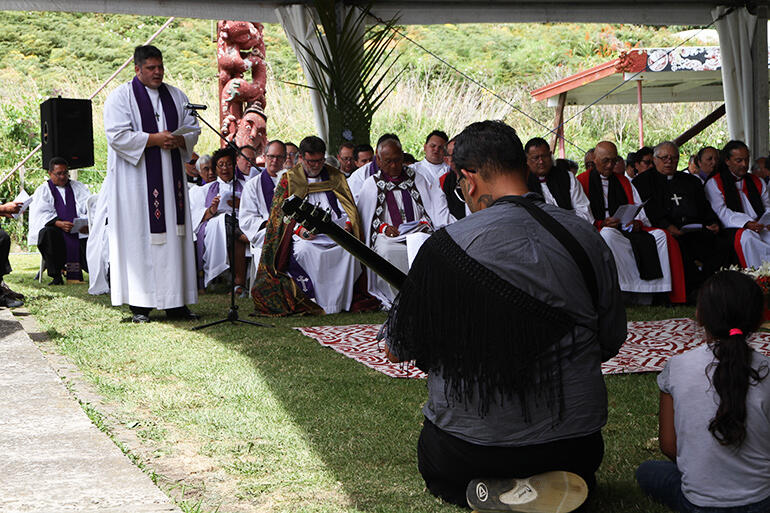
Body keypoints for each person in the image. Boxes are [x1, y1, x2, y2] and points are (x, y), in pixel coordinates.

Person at [383, 120, 626, 510]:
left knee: (440, 458)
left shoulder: (445, 247)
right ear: (525, 167)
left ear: (469, 179)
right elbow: (610, 341)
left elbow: (398, 350)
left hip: (471, 450)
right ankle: (543, 485)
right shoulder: (585, 237)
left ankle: (495, 487)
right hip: (574, 448)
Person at [636, 270, 770, 512]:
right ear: (759, 320)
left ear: (699, 316)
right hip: (762, 500)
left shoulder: (676, 367)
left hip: (700, 503)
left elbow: (669, 446)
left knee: (646, 471)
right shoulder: (767, 369)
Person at [98, 44, 200, 323]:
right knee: (140, 239)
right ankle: (140, 305)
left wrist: (181, 140)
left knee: (175, 239)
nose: (157, 73)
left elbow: (193, 128)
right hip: (137, 184)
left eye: (160, 67)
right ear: (137, 69)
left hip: (172, 181)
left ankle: (176, 302)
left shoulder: (177, 96)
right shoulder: (120, 97)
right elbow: (116, 136)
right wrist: (154, 139)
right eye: (151, 68)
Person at [251, 136, 378, 315]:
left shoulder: (335, 176)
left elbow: (348, 209)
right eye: (311, 161)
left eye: (319, 161)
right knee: (304, 251)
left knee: (349, 252)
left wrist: (348, 224)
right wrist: (299, 230)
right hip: (304, 236)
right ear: (301, 158)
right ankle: (314, 300)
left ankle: (341, 303)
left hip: (335, 234)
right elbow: (280, 216)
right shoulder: (290, 179)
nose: (316, 165)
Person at [356, 138, 452, 306]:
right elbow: (367, 220)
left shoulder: (418, 178)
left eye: (398, 160)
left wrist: (424, 224)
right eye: (388, 161)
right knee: (387, 250)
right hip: (387, 237)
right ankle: (400, 299)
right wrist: (384, 227)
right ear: (378, 160)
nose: (394, 166)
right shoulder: (371, 184)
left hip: (418, 233)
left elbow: (432, 210)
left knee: (431, 246)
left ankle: (426, 297)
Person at [632, 141, 731, 301]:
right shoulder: (643, 181)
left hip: (695, 229)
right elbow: (649, 210)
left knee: (722, 244)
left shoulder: (690, 181)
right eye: (664, 158)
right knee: (680, 246)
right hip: (667, 230)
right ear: (655, 159)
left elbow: (705, 207)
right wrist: (668, 225)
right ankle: (693, 291)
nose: (669, 162)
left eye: (673, 158)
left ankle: (717, 288)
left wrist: (712, 222)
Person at [577, 141, 672, 302]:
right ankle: (624, 292)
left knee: (660, 235)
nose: (610, 165)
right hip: (601, 228)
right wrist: (601, 223)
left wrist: (637, 222)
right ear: (594, 159)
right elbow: (581, 212)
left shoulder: (623, 181)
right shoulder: (581, 181)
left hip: (625, 228)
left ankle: (658, 291)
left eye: (613, 161)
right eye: (605, 161)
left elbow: (638, 208)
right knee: (608, 234)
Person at [189, 147, 248, 294]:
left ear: (234, 166)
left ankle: (238, 282)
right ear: (216, 168)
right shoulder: (204, 190)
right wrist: (211, 210)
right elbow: (194, 216)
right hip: (214, 225)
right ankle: (239, 282)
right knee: (227, 220)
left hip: (242, 222)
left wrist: (242, 205)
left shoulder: (246, 186)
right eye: (220, 165)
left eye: (228, 164)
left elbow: (255, 209)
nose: (225, 168)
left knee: (232, 225)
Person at [705, 140, 770, 269]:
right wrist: (746, 223)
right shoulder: (714, 183)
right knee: (748, 238)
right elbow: (722, 212)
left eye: (746, 159)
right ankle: (759, 275)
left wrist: (766, 222)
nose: (744, 164)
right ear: (727, 161)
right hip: (733, 228)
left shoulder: (757, 181)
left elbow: (767, 206)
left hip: (759, 225)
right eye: (739, 160)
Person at [28, 157, 91, 285]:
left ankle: (93, 270)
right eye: (59, 174)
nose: (63, 177)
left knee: (93, 234)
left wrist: (85, 221)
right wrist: (58, 223)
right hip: (57, 231)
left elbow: (88, 207)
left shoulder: (78, 187)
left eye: (65, 173)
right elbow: (40, 214)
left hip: (77, 229)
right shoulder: (43, 190)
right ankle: (56, 276)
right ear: (50, 173)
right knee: (47, 233)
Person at [239, 140, 286, 279]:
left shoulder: (292, 182)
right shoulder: (252, 185)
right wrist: (271, 224)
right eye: (271, 156)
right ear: (265, 157)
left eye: (279, 157)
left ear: (284, 159)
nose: (274, 161)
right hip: (265, 231)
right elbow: (247, 218)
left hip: (291, 230)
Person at [524, 137, 593, 224]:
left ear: (550, 155)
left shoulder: (567, 177)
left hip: (572, 229)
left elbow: (585, 212)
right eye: (535, 158)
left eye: (544, 156)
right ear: (527, 160)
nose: (541, 161)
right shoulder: (523, 183)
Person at [347, 134, 400, 201]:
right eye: (388, 160)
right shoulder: (359, 178)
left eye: (397, 159)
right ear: (378, 156)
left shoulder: (411, 174)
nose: (393, 165)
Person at [439, 137, 470, 220]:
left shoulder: (481, 177)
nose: (462, 157)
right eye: (455, 154)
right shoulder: (444, 181)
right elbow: (441, 216)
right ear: (447, 160)